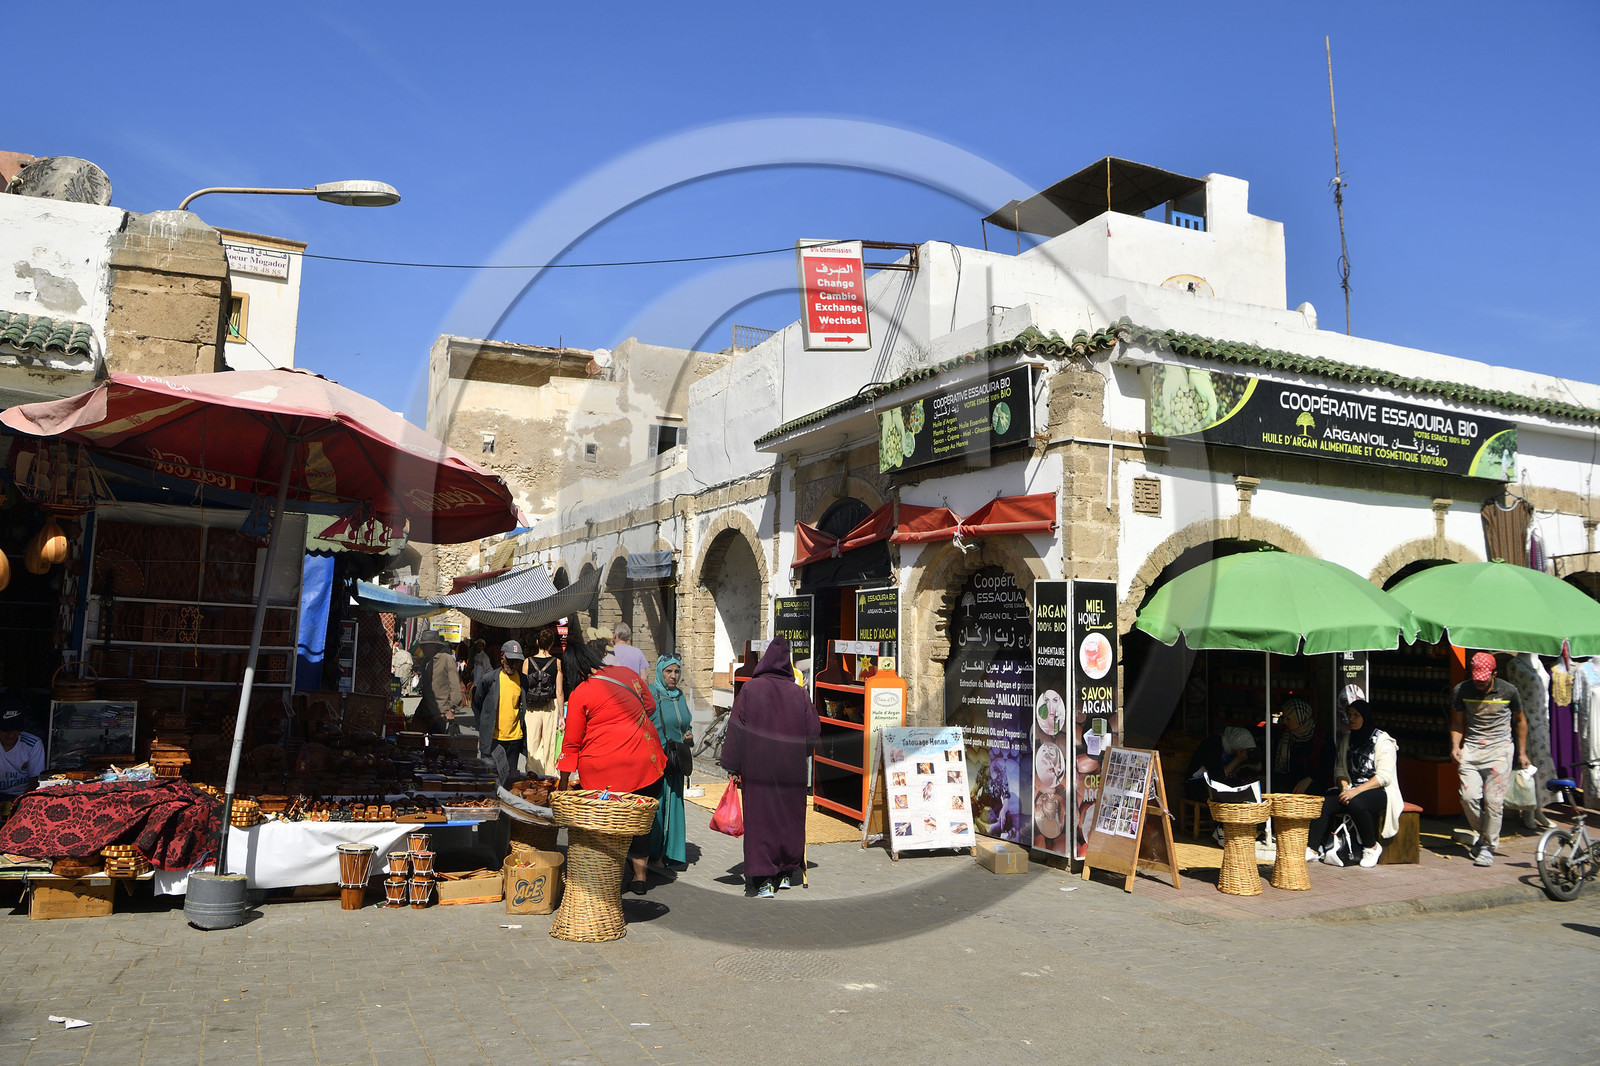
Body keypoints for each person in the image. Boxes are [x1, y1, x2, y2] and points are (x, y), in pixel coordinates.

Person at [556, 636, 666, 895]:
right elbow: (649, 706)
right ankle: (639, 877)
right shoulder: (628, 675)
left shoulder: (581, 691)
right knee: (639, 824)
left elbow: (571, 745)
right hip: (645, 764)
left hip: (604, 775)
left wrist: (561, 786)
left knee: (608, 827)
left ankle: (606, 875)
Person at [719, 636, 820, 899]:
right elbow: (813, 731)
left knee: (761, 818)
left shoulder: (750, 690)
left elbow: (736, 728)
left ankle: (764, 879)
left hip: (758, 768)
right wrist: (800, 751)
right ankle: (786, 872)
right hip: (791, 769)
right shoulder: (799, 693)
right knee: (789, 817)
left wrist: (732, 764)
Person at [1451, 651, 1532, 867]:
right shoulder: (1462, 690)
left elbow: (1521, 721)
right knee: (1467, 797)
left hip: (1500, 750)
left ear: (1494, 673)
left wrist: (1522, 753)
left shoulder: (1509, 690)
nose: (1479, 683)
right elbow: (1458, 722)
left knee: (1494, 802)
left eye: (1483, 679)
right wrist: (1455, 746)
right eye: (1476, 678)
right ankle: (1483, 834)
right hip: (1472, 749)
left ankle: (1487, 846)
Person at [1304, 700, 1404, 868]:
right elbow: (1340, 769)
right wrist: (1344, 788)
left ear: (1365, 717)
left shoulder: (1383, 740)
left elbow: (1384, 777)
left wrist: (1354, 792)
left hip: (1379, 790)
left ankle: (1371, 846)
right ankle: (1313, 848)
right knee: (1324, 802)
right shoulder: (1347, 739)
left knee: (1356, 803)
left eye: (1356, 715)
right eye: (1349, 715)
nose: (1352, 718)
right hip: (1351, 788)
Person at [647, 654, 692, 870]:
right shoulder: (651, 694)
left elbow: (684, 723)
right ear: (660, 672)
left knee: (675, 803)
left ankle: (671, 852)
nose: (673, 676)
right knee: (658, 806)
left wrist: (688, 733)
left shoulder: (679, 695)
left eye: (676, 671)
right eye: (668, 671)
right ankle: (653, 854)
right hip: (656, 759)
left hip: (676, 760)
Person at [476, 640, 527, 785]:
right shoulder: (489, 679)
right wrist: (484, 725)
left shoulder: (523, 680)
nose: (514, 665)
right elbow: (477, 703)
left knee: (510, 779)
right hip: (494, 739)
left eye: (517, 661)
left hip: (514, 739)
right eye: (511, 661)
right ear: (502, 658)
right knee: (490, 778)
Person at [521, 626, 564, 776]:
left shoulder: (527, 661)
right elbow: (559, 691)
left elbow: (523, 686)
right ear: (551, 644)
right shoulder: (557, 662)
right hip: (549, 706)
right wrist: (561, 716)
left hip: (532, 707)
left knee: (532, 743)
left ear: (538, 642)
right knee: (549, 742)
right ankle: (549, 775)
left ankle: (532, 773)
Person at [1184, 726, 1259, 803]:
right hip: (1196, 785)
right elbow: (1217, 778)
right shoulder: (1213, 745)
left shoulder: (1229, 750)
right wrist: (1238, 759)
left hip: (1213, 783)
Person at [1274, 696, 1331, 794]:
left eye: (1289, 719)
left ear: (1300, 720)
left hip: (1315, 785)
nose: (1285, 722)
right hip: (1290, 785)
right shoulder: (1285, 736)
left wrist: (1309, 779)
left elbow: (1327, 766)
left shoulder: (1321, 737)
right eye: (1284, 718)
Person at [414, 630, 465, 735]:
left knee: (437, 744)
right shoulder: (426, 661)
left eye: (425, 646)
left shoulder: (446, 659)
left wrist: (452, 709)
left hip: (440, 711)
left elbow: (455, 686)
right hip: (425, 710)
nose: (422, 649)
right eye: (422, 646)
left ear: (433, 646)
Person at [0, 702, 44, 801]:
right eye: (6, 730)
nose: (11, 735)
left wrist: (20, 801)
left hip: (23, 796)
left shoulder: (33, 744)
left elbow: (36, 780)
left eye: (16, 730)